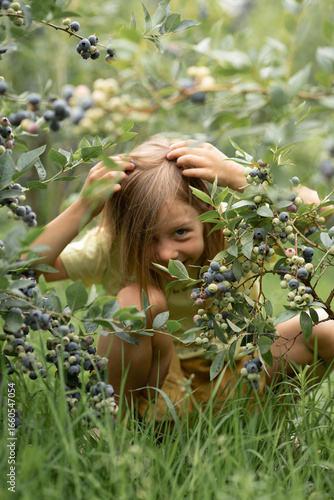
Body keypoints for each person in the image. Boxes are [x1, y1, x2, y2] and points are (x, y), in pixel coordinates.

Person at [31, 136, 334, 421]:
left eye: (180, 232)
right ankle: (114, 426)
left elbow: (320, 213)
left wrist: (240, 175)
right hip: (161, 392)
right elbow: (26, 267)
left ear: (206, 214)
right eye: (146, 238)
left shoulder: (232, 231)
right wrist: (82, 208)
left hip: (245, 374)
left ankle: (267, 424)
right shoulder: (112, 246)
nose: (167, 254)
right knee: (136, 301)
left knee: (325, 328)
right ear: (125, 232)